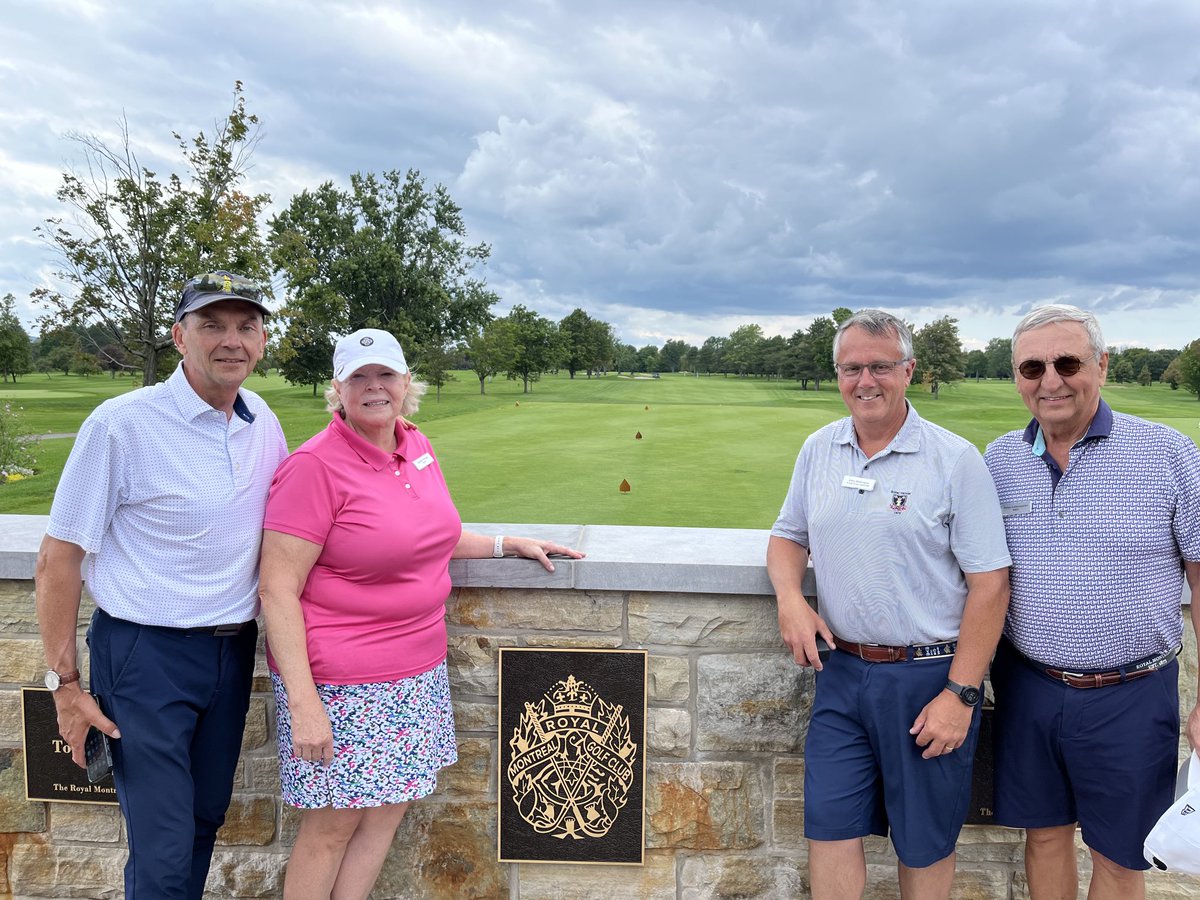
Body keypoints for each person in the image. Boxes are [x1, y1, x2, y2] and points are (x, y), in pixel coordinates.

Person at [258, 328, 584, 899]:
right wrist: (305, 704)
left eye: (385, 374)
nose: (374, 387)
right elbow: (277, 590)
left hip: (416, 671)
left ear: (406, 382)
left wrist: (507, 544)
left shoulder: (415, 445)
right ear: (338, 389)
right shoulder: (314, 466)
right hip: (342, 684)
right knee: (333, 826)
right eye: (359, 377)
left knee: (386, 813)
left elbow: (433, 533)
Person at [35, 271, 287, 899]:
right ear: (179, 336)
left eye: (246, 326)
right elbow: (58, 559)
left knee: (201, 823)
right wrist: (65, 686)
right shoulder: (122, 424)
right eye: (212, 325)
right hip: (146, 657)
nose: (231, 340)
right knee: (165, 845)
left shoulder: (263, 422)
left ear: (261, 340)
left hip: (231, 650)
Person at [767, 309, 1011, 899]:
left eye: (880, 366)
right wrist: (791, 599)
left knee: (924, 844)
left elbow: (991, 584)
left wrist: (961, 694)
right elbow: (788, 536)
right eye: (851, 368)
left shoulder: (954, 460)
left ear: (908, 370)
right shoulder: (819, 448)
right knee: (829, 829)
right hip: (841, 672)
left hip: (928, 677)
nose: (865, 381)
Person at [983, 304, 1200, 900]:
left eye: (1068, 363)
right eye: (1032, 367)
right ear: (1017, 377)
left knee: (1121, 856)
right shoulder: (999, 460)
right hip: (1029, 684)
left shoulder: (1168, 453)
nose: (1050, 381)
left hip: (1131, 693)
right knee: (1044, 837)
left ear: (1101, 366)